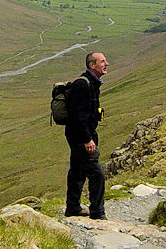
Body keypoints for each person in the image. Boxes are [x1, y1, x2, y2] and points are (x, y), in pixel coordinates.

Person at [64, 52, 108, 219]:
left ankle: (73, 208)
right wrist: (87, 139)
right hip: (80, 137)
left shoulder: (91, 83)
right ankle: (97, 212)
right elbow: (78, 116)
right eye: (102, 61)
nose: (106, 63)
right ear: (92, 65)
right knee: (96, 174)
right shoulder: (83, 85)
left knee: (77, 171)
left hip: (80, 135)